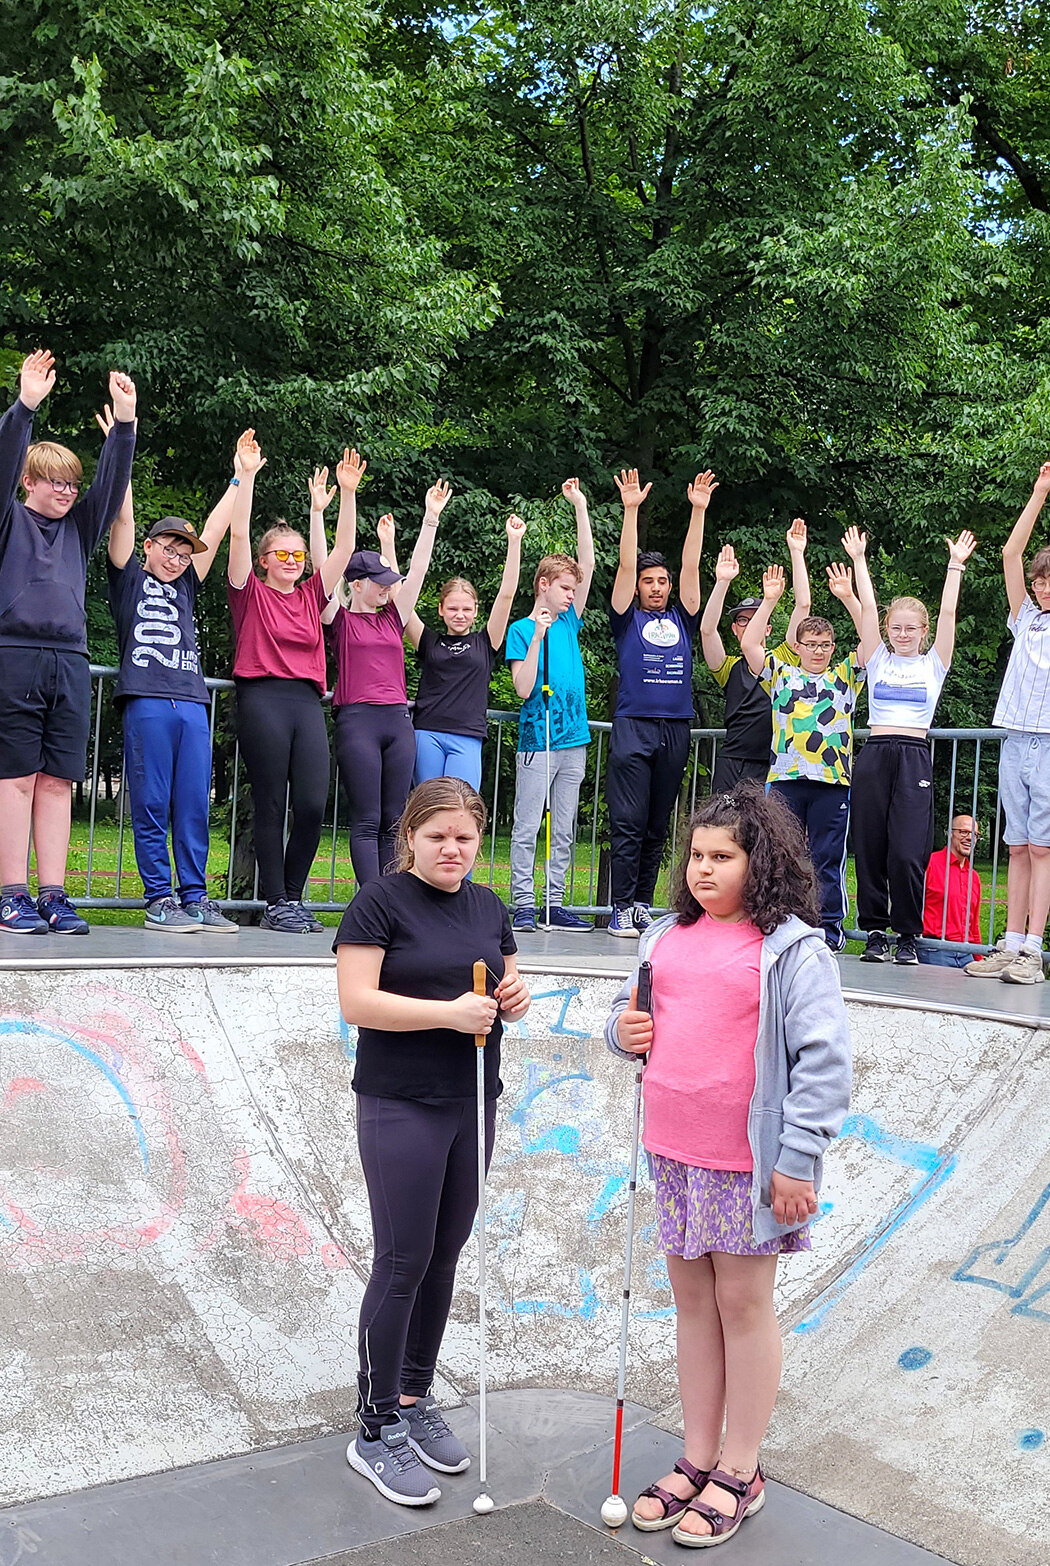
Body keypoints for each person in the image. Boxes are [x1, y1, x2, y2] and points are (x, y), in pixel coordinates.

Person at [607, 783, 851, 1546]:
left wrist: (798, 1159)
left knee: (743, 1308)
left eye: (724, 857)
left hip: (747, 1165)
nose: (704, 871)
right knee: (691, 1306)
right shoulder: (663, 939)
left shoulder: (790, 951)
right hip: (673, 1155)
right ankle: (697, 1456)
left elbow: (824, 1059)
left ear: (761, 862)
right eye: (696, 857)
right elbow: (625, 1018)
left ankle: (741, 1470)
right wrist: (624, 1030)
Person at [335, 777, 532, 1506]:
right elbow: (358, 1000)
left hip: (471, 1099)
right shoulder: (378, 903)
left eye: (465, 837)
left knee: (444, 1256)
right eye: (437, 836)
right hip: (400, 1103)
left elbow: (508, 979)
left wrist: (514, 994)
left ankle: (414, 1399)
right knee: (403, 1259)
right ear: (409, 838)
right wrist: (448, 1015)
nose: (452, 849)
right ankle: (374, 1424)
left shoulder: (486, 904)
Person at [0, 350, 137, 934]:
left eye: (72, 483)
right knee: (16, 777)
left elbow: (111, 482)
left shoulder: (79, 527)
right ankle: (10, 895)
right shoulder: (2, 518)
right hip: (9, 655)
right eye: (53, 482)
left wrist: (125, 424)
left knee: (57, 781)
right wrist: (24, 406)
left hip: (68, 660)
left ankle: (53, 894)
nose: (67, 492)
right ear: (29, 482)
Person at [104, 423, 250, 934]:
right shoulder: (128, 574)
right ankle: (159, 897)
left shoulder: (187, 581)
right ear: (148, 546)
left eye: (184, 553)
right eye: (168, 548)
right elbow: (122, 515)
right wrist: (121, 446)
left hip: (191, 701)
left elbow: (211, 534)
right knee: (150, 800)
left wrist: (238, 477)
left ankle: (195, 896)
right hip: (145, 696)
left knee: (192, 802)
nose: (177, 558)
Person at [964, 450, 1050, 985]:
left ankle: (1034, 953)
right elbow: (1010, 553)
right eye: (1040, 580)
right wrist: (1040, 491)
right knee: (1017, 846)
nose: (1044, 587)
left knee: (1043, 847)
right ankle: (1011, 942)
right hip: (1017, 737)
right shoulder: (1024, 618)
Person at [227, 445, 362, 933]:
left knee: (311, 802)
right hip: (262, 695)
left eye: (297, 554)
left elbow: (344, 551)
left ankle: (294, 897)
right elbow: (238, 532)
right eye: (280, 553)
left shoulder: (310, 594)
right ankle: (275, 900)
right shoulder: (249, 590)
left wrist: (347, 495)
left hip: (306, 700)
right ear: (263, 561)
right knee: (271, 802)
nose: (290, 559)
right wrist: (245, 477)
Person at [737, 527, 879, 952]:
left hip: (832, 781)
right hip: (785, 778)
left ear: (833, 647)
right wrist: (769, 600)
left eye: (825, 644)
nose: (819, 650)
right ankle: (778, 921)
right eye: (811, 643)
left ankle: (827, 928)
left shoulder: (846, 676)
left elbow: (871, 634)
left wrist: (852, 589)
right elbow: (748, 644)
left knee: (826, 858)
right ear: (797, 645)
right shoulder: (783, 674)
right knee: (778, 854)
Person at [854, 530, 977, 965]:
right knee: (870, 847)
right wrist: (860, 558)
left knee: (907, 853)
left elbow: (948, 610)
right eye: (896, 627)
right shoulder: (878, 659)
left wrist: (955, 565)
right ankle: (874, 931)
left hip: (913, 758)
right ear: (887, 630)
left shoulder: (933, 664)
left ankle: (907, 934)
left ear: (923, 632)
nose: (903, 634)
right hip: (875, 754)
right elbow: (867, 607)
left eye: (911, 628)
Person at [605, 468, 712, 935]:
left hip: (675, 727)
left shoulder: (681, 618)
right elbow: (625, 567)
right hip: (634, 724)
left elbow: (691, 568)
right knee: (627, 820)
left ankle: (642, 904)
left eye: (661, 581)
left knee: (656, 823)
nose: (655, 586)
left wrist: (698, 511)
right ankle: (619, 906)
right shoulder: (626, 619)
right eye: (648, 581)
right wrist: (630, 512)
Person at [503, 479, 597, 932]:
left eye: (572, 590)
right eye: (563, 588)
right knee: (527, 826)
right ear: (543, 585)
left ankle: (554, 901)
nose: (569, 595)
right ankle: (524, 900)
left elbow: (590, 561)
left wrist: (579, 506)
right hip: (537, 737)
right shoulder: (523, 629)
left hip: (573, 739)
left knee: (563, 828)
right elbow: (523, 688)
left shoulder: (572, 620)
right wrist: (539, 632)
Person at [332, 491, 438, 886]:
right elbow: (331, 567)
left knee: (396, 817)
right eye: (378, 583)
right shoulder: (339, 618)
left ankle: (391, 895)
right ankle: (371, 897)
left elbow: (419, 571)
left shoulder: (394, 617)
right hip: (358, 718)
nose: (386, 588)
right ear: (357, 585)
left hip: (397, 718)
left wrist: (430, 518)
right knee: (367, 817)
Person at [399, 505, 524, 790]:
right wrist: (391, 543)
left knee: (461, 807)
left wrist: (514, 542)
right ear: (441, 609)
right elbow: (400, 602)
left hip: (467, 735)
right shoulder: (428, 640)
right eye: (453, 608)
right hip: (427, 732)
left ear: (476, 611)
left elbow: (507, 594)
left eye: (466, 609)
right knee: (428, 807)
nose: (460, 614)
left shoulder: (486, 641)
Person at [700, 523, 812, 791]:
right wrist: (723, 581)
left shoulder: (782, 659)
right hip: (732, 762)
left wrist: (797, 553)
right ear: (735, 629)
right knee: (723, 829)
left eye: (755, 620)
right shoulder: (728, 667)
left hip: (772, 763)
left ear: (767, 627)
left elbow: (803, 606)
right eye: (742, 620)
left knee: (764, 832)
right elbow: (706, 630)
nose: (749, 626)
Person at [921, 816, 983, 964]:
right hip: (934, 950)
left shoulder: (973, 876)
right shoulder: (929, 864)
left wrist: (979, 958)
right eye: (963, 832)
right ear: (950, 833)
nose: (969, 838)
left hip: (966, 953)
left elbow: (973, 924)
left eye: (974, 834)